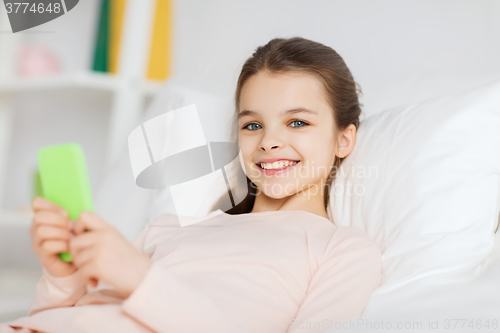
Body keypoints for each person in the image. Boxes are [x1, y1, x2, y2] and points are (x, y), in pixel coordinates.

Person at [0, 37, 382, 333]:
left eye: (297, 122)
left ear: (344, 139)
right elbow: (58, 319)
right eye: (252, 125)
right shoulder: (167, 228)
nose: (268, 141)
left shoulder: (342, 250)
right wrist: (62, 277)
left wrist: (141, 279)